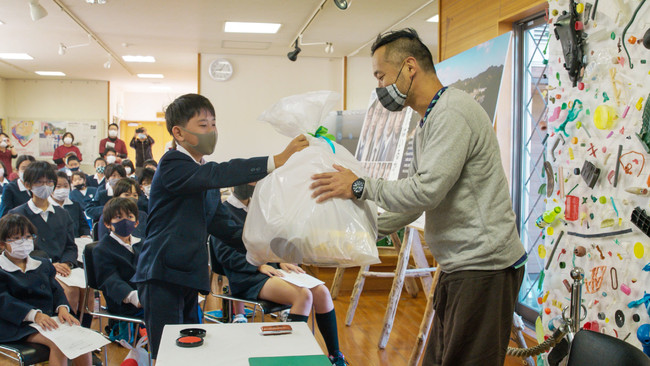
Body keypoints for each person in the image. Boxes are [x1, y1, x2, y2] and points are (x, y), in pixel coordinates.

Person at [310, 28, 526, 366]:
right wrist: (365, 229)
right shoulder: (429, 121)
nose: (380, 87)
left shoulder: (453, 113)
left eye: (381, 76)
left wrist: (359, 186)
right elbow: (420, 200)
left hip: (484, 267)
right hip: (462, 266)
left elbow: (426, 189)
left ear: (410, 67)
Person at [132, 93, 308, 359]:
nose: (212, 131)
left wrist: (269, 250)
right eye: (203, 125)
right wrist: (276, 161)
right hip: (161, 276)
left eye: (214, 124)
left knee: (190, 352)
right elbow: (219, 172)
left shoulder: (201, 173)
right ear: (178, 133)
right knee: (166, 354)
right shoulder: (172, 166)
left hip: (188, 275)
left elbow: (222, 225)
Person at [211, 183, 347, 365]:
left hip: (271, 270)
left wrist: (281, 259)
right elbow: (225, 255)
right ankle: (287, 359)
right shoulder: (223, 212)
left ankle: (335, 356)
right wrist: (258, 266)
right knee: (303, 296)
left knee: (321, 292)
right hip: (245, 276)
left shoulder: (259, 210)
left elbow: (271, 243)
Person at [0, 214, 92, 366]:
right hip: (14, 324)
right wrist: (34, 315)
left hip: (47, 319)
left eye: (28, 236)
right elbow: (4, 302)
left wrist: (62, 308)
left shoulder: (42, 264)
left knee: (81, 336)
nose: (24, 242)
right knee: (60, 343)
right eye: (16, 238)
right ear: (2, 244)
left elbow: (56, 290)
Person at [9, 161, 81, 315]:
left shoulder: (62, 214)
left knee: (86, 293)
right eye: (39, 182)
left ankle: (83, 328)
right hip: (35, 268)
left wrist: (67, 263)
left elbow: (70, 245)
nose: (45, 186)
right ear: (28, 185)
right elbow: (17, 250)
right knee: (69, 293)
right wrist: (49, 265)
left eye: (49, 182)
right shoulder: (17, 215)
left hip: (63, 268)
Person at [93, 197, 143, 317]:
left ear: (136, 222)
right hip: (123, 302)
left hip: (146, 296)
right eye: (118, 217)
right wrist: (132, 296)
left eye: (130, 217)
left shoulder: (142, 244)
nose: (125, 221)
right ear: (107, 223)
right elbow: (109, 279)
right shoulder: (102, 249)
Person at [50, 171, 91, 238]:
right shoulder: (46, 206)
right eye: (58, 186)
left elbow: (84, 226)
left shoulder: (75, 205)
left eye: (65, 186)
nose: (62, 189)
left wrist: (84, 235)